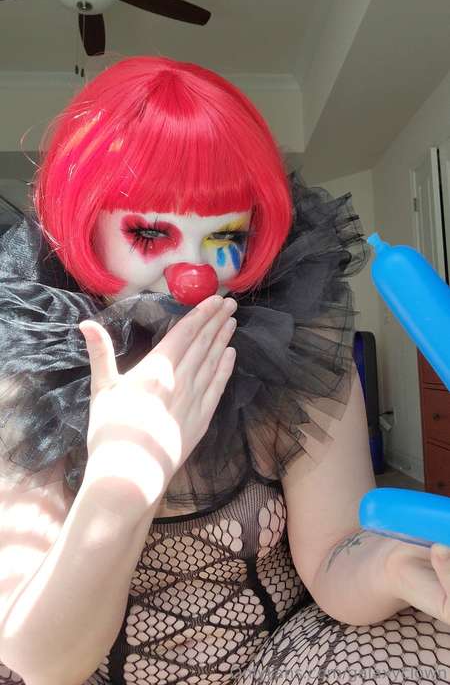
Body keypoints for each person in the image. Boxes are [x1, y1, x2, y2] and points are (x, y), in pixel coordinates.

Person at [0, 56, 449, 685]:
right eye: (149, 234)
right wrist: (121, 481)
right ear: (85, 226)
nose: (194, 275)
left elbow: (335, 556)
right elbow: (43, 664)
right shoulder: (31, 365)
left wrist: (398, 569)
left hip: (276, 660)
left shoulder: (295, 341)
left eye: (224, 238)